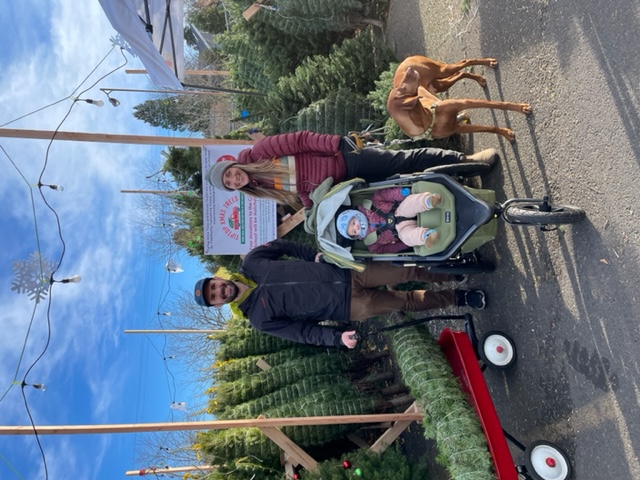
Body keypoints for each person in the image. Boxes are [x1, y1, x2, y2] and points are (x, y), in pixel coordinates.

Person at [193, 239, 486, 349]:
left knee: (406, 270)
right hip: (349, 307)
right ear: (218, 304)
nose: (220, 291)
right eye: (215, 297)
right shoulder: (258, 318)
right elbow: (302, 333)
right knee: (405, 302)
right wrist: (336, 338)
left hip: (345, 272)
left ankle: (456, 271)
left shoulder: (252, 261)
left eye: (214, 286)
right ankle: (459, 297)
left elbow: (285, 245)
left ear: (217, 279)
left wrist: (314, 256)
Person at [206, 130, 498, 208]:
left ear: (232, 164)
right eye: (231, 184)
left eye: (230, 174)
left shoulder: (259, 153)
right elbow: (306, 190)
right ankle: (461, 178)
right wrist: (311, 210)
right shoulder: (264, 188)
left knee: (404, 160)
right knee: (407, 182)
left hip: (347, 159)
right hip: (349, 185)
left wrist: (335, 142)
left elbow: (300, 140)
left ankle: (466, 157)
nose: (234, 179)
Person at [336, 188, 444, 252]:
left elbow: (386, 194)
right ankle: (427, 236)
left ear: (355, 214)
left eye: (353, 223)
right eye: (354, 232)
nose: (357, 227)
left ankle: (429, 201)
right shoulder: (372, 244)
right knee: (407, 238)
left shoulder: (370, 203)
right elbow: (388, 249)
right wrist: (403, 245)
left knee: (409, 203)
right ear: (356, 237)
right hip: (400, 232)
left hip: (399, 211)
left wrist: (401, 193)